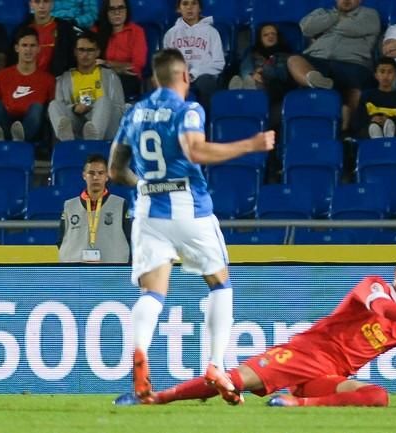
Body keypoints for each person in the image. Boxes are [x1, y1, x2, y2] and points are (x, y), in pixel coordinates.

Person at [107, 48, 275, 404]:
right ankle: (215, 365)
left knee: (152, 293)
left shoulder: (135, 112)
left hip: (148, 208)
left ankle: (139, 353)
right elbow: (195, 151)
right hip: (189, 208)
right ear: (184, 77)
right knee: (220, 284)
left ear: (155, 77)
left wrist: (144, 184)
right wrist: (252, 144)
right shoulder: (188, 109)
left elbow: (114, 170)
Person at [114, 253, 396, 407]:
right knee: (231, 381)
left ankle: (297, 403)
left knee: (378, 397)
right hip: (307, 353)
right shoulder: (375, 286)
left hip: (331, 376)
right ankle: (154, 399)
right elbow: (384, 309)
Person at [286, 0, 380, 131]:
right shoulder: (322, 12)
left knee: (357, 84)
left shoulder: (370, 14)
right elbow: (305, 28)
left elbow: (351, 28)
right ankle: (313, 79)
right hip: (317, 60)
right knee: (293, 60)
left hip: (352, 63)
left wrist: (324, 26)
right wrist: (336, 16)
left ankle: (346, 128)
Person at [48, 30, 125, 141]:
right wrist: (74, 108)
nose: (85, 54)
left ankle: (93, 138)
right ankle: (67, 142)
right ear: (75, 52)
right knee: (53, 105)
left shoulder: (110, 76)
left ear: (97, 52)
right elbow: (61, 105)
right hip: (78, 123)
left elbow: (119, 108)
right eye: (81, 50)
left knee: (104, 101)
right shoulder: (64, 79)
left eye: (90, 50)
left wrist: (95, 108)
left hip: (106, 126)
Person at [0, 27, 55, 142]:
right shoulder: (2, 75)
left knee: (37, 107)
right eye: (24, 45)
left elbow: (51, 110)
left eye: (32, 46)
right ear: (17, 48)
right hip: (6, 122)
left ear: (38, 49)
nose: (28, 50)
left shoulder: (48, 79)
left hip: (32, 125)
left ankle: (20, 139)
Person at [58, 153, 131, 263]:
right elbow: (61, 240)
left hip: (112, 273)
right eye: (91, 173)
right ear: (84, 175)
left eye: (100, 173)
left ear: (107, 176)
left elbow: (130, 239)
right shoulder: (69, 206)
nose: (96, 177)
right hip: (77, 273)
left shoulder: (120, 204)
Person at [163, 0, 225, 114]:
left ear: (200, 8)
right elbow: (166, 63)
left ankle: (206, 125)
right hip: (178, 77)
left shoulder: (212, 32)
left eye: (194, 3)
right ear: (178, 9)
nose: (189, 7)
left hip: (204, 76)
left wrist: (194, 73)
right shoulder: (170, 34)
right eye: (185, 4)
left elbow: (219, 63)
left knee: (205, 83)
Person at [94, 0, 147, 99]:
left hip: (128, 79)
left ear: (127, 10)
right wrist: (118, 68)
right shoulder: (97, 30)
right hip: (101, 77)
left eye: (121, 8)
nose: (117, 12)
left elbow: (136, 66)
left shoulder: (136, 32)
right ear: (106, 12)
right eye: (112, 9)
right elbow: (92, 63)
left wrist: (106, 64)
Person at [228, 23, 293, 102]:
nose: (270, 36)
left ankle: (246, 88)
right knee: (247, 67)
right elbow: (245, 67)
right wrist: (252, 74)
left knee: (271, 82)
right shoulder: (253, 52)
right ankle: (248, 83)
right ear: (260, 38)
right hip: (254, 77)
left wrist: (263, 71)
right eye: (265, 35)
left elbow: (283, 74)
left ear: (278, 37)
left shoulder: (285, 53)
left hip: (273, 83)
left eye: (273, 34)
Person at [11, 0, 78, 77]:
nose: (41, 6)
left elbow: (72, 58)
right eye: (37, 2)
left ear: (52, 4)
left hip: (58, 81)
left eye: (46, 1)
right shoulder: (21, 29)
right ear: (31, 5)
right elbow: (13, 59)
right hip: (28, 80)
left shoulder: (65, 29)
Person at [352, 57, 396, 138]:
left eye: (390, 72)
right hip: (369, 132)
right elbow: (357, 121)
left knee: (390, 124)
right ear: (376, 75)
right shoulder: (367, 96)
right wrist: (371, 119)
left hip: (395, 134)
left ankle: (388, 140)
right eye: (382, 72)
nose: (386, 76)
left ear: (395, 75)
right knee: (373, 127)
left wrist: (391, 120)